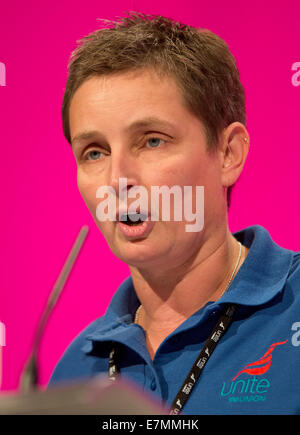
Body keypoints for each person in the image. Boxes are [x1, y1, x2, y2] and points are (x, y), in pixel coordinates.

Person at [49, 11, 300, 415]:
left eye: (151, 141)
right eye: (95, 151)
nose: (117, 179)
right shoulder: (77, 367)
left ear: (228, 153)